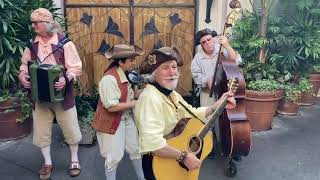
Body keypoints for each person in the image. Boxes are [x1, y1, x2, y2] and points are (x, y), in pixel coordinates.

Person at [134, 47, 236, 180]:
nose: (172, 72)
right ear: (153, 74)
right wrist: (184, 156)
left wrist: (216, 105)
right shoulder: (150, 98)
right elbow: (154, 144)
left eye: (174, 67)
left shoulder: (171, 94)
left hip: (174, 156)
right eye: (165, 68)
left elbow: (190, 112)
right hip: (158, 163)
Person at [18, 8, 82, 179]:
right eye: (32, 23)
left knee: (70, 128)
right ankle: (47, 163)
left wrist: (66, 79)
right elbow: (24, 65)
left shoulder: (65, 43)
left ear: (46, 24)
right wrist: (23, 74)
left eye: (36, 23)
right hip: (39, 96)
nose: (33, 26)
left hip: (62, 96)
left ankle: (74, 159)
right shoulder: (32, 44)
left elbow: (76, 67)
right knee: (41, 130)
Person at [92, 44, 145, 180]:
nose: (134, 63)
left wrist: (147, 90)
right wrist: (135, 104)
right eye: (131, 60)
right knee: (113, 157)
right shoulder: (109, 79)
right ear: (121, 62)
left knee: (135, 149)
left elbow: (131, 93)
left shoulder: (126, 74)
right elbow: (111, 107)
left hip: (126, 118)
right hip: (112, 122)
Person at [191, 28, 241, 159]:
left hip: (226, 90)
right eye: (203, 42)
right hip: (208, 93)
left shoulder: (222, 49)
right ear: (200, 45)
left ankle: (232, 147)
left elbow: (237, 61)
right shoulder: (198, 57)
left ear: (213, 38)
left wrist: (228, 45)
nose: (207, 43)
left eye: (209, 39)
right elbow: (195, 76)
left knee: (229, 121)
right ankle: (209, 147)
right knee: (207, 121)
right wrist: (205, 80)